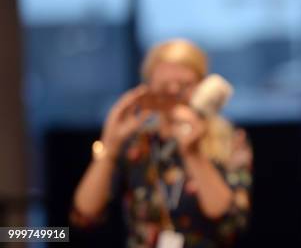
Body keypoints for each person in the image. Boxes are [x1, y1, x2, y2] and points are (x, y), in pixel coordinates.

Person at [71, 39, 252, 248]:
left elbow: (230, 222)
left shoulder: (230, 138)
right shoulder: (138, 141)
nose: (174, 92)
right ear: (149, 87)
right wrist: (110, 146)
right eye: (164, 86)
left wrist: (192, 153)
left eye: (185, 85)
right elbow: (84, 216)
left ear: (203, 86)